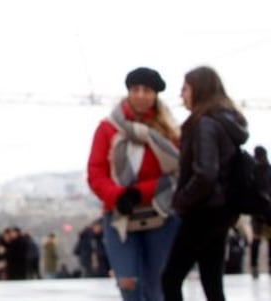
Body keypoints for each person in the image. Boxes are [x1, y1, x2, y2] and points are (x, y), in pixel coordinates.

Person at [86, 66, 181, 301]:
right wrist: (118, 196)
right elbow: (96, 171)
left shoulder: (169, 132)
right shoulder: (108, 128)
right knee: (128, 283)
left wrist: (138, 193)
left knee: (156, 286)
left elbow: (177, 173)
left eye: (146, 90)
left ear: (155, 94)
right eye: (135, 89)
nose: (140, 95)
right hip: (120, 214)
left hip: (160, 213)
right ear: (128, 92)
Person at [162, 66, 249, 301]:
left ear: (198, 90)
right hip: (223, 210)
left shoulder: (204, 124)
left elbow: (205, 174)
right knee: (212, 281)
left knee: (170, 278)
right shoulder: (226, 121)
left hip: (202, 211)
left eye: (185, 89)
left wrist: (181, 200)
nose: (181, 95)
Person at [251, 146, 271, 278]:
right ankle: (254, 266)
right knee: (257, 240)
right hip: (259, 210)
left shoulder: (258, 170)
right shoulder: (255, 170)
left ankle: (261, 266)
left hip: (267, 211)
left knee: (267, 241)